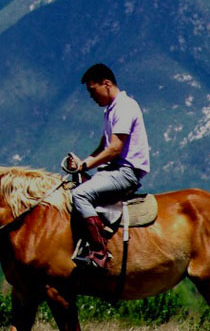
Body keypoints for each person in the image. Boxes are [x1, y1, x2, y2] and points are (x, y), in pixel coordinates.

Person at [63, 63, 150, 270]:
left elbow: (114, 150)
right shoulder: (110, 110)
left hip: (126, 172)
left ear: (107, 84)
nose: (92, 97)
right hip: (113, 170)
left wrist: (85, 164)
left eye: (93, 90)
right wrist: (81, 164)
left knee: (81, 195)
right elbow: (103, 147)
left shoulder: (125, 107)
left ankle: (99, 251)